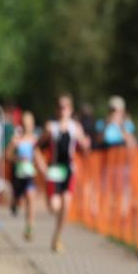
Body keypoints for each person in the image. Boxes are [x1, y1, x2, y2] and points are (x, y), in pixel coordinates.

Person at [37, 94, 90, 253]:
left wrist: (87, 145)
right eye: (60, 107)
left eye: (65, 107)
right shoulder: (50, 127)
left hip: (69, 170)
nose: (62, 110)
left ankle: (57, 237)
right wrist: (42, 167)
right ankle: (50, 199)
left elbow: (85, 147)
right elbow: (37, 147)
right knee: (55, 207)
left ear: (70, 109)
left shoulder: (76, 127)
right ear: (56, 109)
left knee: (66, 204)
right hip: (54, 170)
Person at [7, 111, 39, 242]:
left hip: (30, 174)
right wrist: (18, 158)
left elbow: (39, 157)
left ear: (32, 125)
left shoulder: (35, 140)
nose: (27, 127)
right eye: (25, 124)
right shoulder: (16, 140)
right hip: (18, 175)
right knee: (19, 200)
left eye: (29, 124)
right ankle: (14, 203)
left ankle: (29, 227)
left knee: (31, 198)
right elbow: (8, 155)